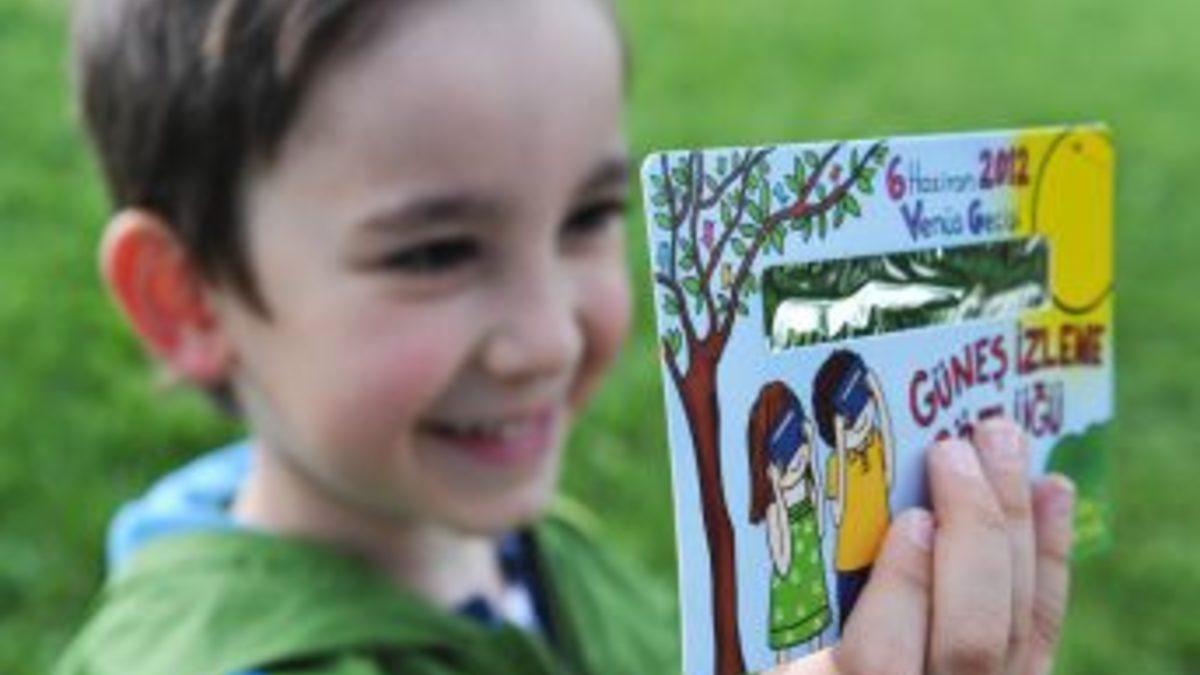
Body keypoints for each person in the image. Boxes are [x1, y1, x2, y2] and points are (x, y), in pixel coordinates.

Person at [56, 0, 1077, 673]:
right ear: (188, 302)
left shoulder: (520, 542)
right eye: (435, 253)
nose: (548, 339)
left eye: (586, 218)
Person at [747, 381, 832, 663]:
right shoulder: (775, 511)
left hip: (813, 587)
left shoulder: (807, 488)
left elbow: (821, 530)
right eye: (784, 449)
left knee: (820, 649)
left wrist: (813, 454)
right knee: (785, 661)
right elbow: (783, 564)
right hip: (788, 597)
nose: (795, 457)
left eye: (797, 438)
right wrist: (778, 495)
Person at [812, 349, 895, 629]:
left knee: (887, 623)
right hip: (851, 565)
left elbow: (889, 476)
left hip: (883, 551)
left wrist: (878, 396)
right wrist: (840, 440)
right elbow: (838, 516)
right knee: (852, 630)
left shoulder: (874, 442)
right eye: (850, 418)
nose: (860, 420)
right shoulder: (836, 464)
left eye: (863, 402)